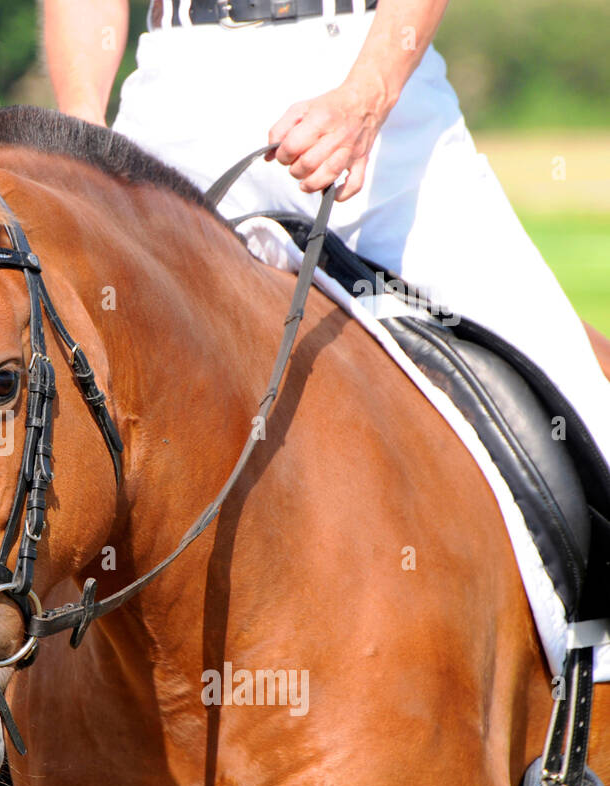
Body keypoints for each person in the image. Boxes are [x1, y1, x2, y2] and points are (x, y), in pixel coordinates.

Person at [44, 0, 610, 471]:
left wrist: (366, 98)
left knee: (579, 400)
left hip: (372, 79)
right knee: (53, 397)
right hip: (173, 99)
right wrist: (83, 124)